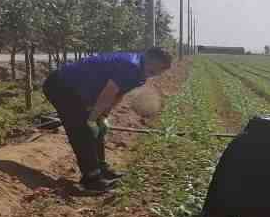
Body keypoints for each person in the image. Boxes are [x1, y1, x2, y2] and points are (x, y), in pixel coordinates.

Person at [42, 47, 173, 193]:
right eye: (157, 68)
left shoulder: (141, 73)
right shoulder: (130, 65)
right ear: (149, 58)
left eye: (160, 71)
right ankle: (91, 180)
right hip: (61, 85)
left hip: (79, 90)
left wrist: (102, 117)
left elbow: (118, 94)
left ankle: (101, 169)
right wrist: (91, 120)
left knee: (96, 127)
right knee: (81, 130)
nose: (157, 74)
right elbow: (108, 93)